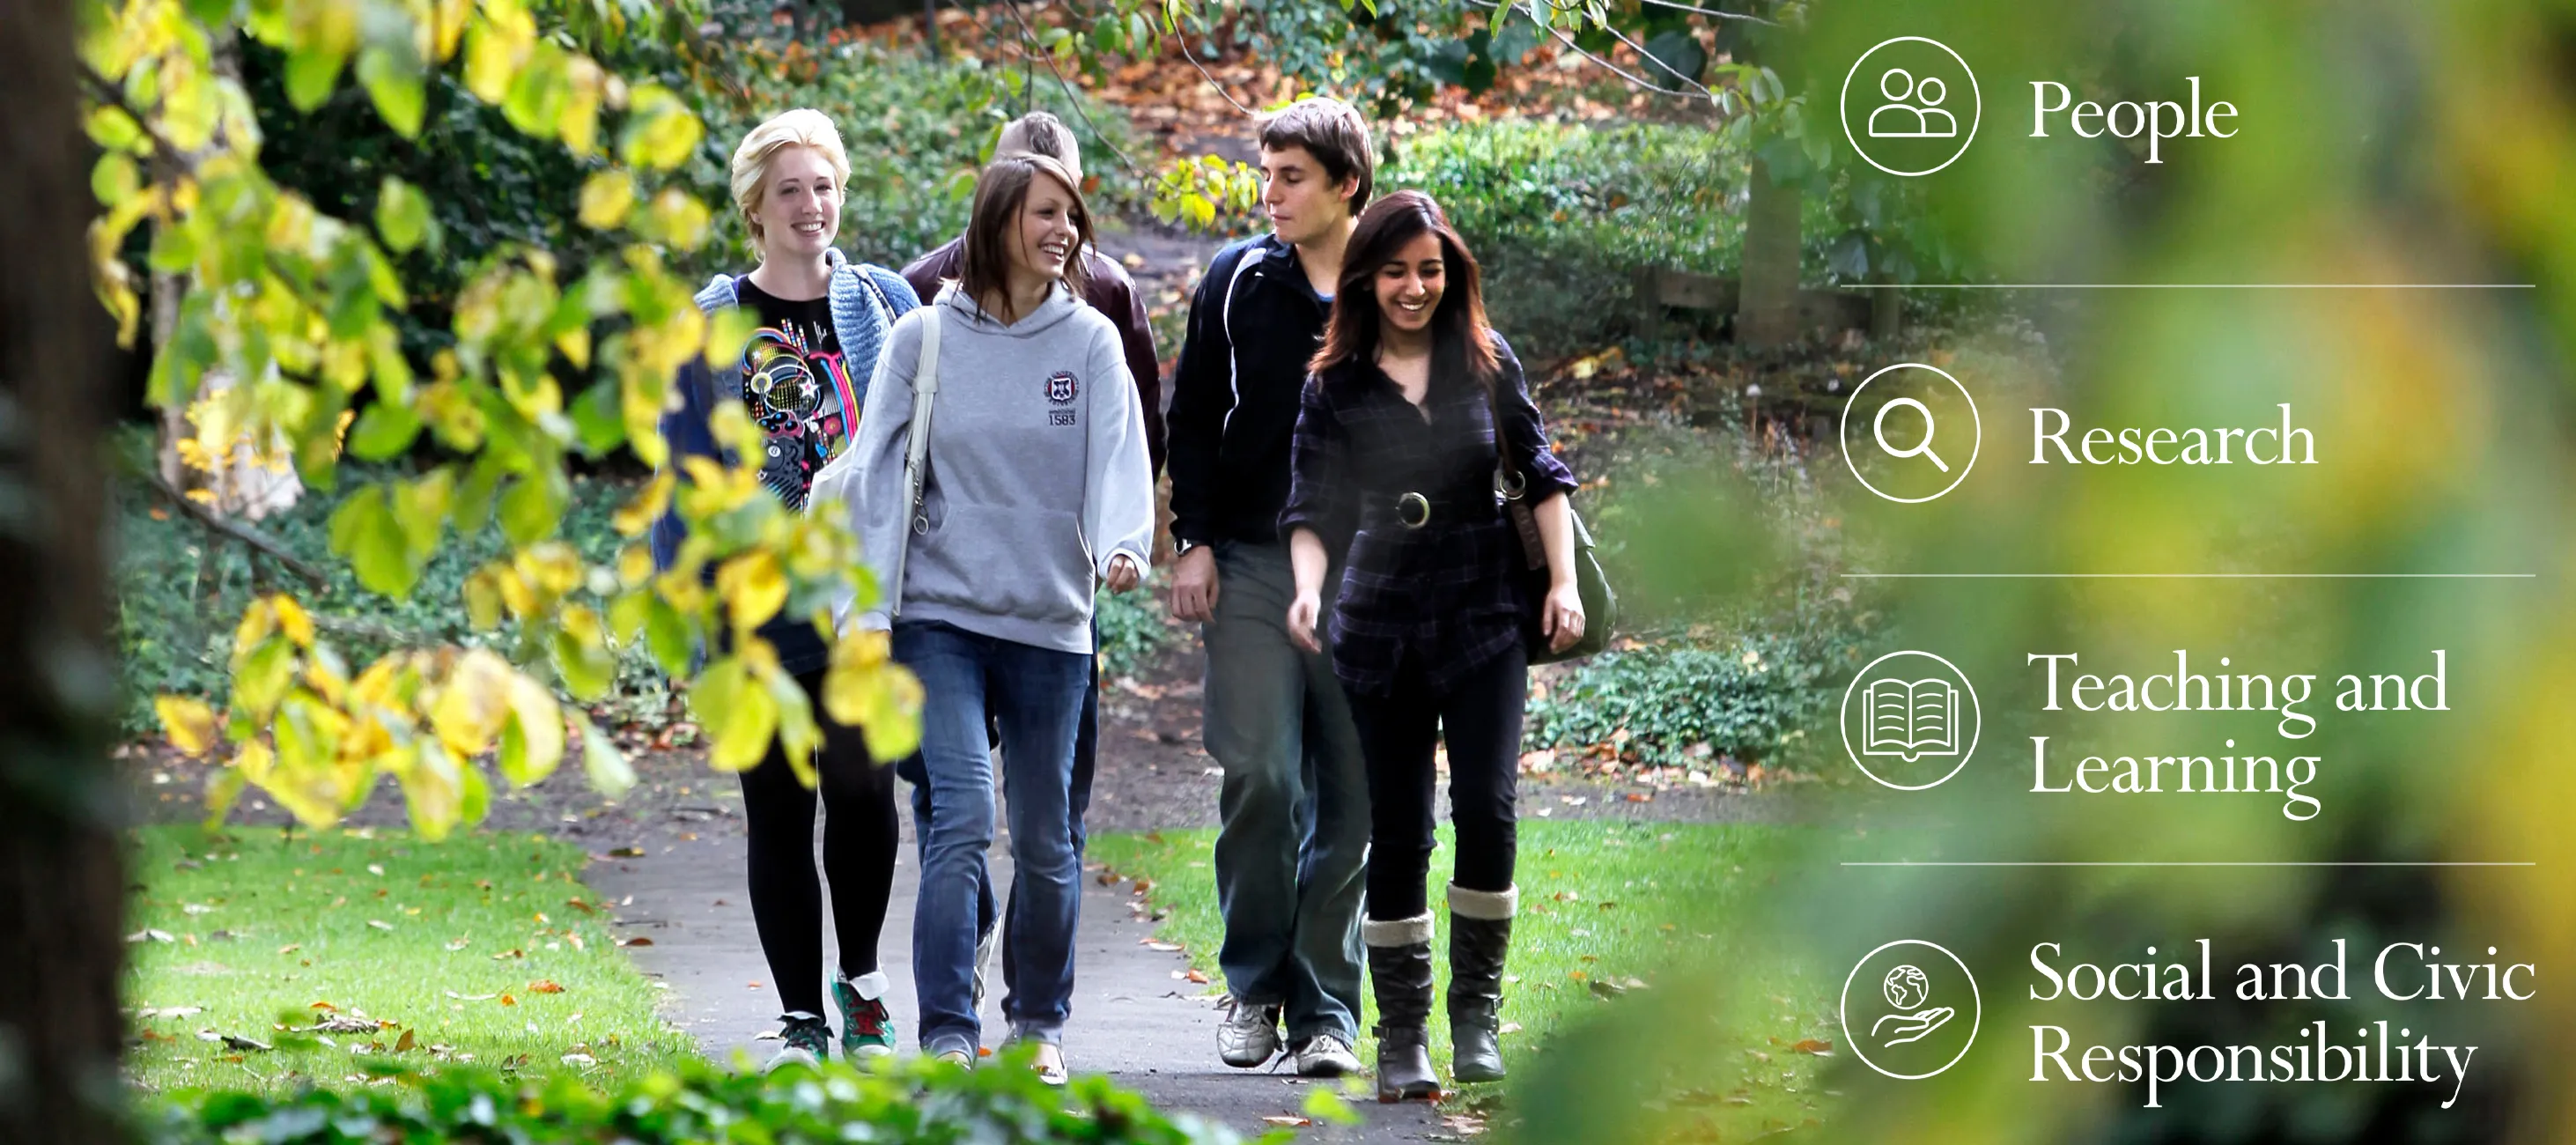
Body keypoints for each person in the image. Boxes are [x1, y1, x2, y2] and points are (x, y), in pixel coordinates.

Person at [845, 153, 1155, 1083]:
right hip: (938, 617)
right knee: (961, 816)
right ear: (996, 223)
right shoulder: (924, 340)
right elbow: (871, 475)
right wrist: (867, 607)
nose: (1063, 230)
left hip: (1051, 624)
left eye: (1072, 214)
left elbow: (1118, 456)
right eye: (1044, 213)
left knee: (1048, 833)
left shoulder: (1091, 342)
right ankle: (945, 1027)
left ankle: (1039, 1026)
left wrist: (1121, 545)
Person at [1279, 190, 1585, 1099]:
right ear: (1367, 276)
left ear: (1451, 274)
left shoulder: (1487, 364)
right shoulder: (1332, 385)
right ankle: (1403, 1038)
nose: (1414, 287)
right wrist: (1305, 588)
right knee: (1398, 830)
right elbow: (1309, 507)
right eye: (1396, 270)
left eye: (1430, 269)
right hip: (1377, 623)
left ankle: (1475, 1016)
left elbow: (1540, 474)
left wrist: (1562, 583)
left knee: (1487, 808)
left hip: (1485, 609)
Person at [648, 108, 921, 1071]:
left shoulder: (886, 303)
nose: (814, 205)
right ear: (755, 209)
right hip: (754, 602)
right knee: (777, 808)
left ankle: (865, 986)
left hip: (860, 600)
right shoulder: (713, 320)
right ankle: (802, 1019)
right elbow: (681, 471)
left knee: (861, 790)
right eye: (792, 190)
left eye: (825, 186)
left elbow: (923, 449)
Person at [1163, 96, 1377, 1078]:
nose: (1271, 194)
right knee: (1262, 776)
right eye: (1267, 174)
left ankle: (1328, 1009)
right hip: (1250, 559)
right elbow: (1195, 412)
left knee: (1354, 799)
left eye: (1293, 176)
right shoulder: (1238, 278)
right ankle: (1254, 986)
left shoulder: (1398, 284)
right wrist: (1193, 540)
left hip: (1371, 577)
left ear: (1347, 185)